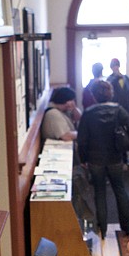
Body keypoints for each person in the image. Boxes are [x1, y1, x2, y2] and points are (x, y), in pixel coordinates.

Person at [76, 80, 129, 239]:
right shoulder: (118, 110)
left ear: (93, 95)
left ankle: (102, 229)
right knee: (120, 189)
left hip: (95, 159)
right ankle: (127, 227)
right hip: (115, 157)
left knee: (100, 192)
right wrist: (122, 140)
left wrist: (83, 159)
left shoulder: (88, 113)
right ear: (111, 93)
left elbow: (82, 140)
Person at [42, 86, 95, 234]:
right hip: (61, 157)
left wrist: (74, 108)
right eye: (71, 100)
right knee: (77, 193)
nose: (73, 102)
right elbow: (65, 136)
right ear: (64, 100)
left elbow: (79, 118)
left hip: (68, 155)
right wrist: (84, 133)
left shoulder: (62, 112)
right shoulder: (53, 114)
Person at [107, 58, 129, 166]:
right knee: (115, 136)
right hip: (114, 112)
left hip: (125, 111)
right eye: (113, 66)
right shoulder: (110, 79)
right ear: (111, 67)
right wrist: (115, 79)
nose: (115, 68)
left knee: (125, 136)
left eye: (116, 65)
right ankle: (117, 160)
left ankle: (125, 160)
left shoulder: (126, 78)